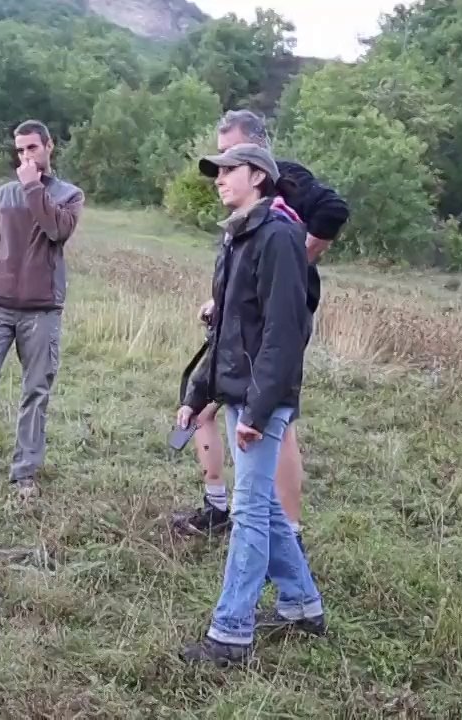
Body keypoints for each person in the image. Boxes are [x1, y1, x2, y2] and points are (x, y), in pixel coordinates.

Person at [177, 142, 327, 666]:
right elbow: (226, 329)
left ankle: (230, 634)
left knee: (247, 512)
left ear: (258, 176)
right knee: (261, 505)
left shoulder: (279, 237)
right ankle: (303, 605)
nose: (218, 178)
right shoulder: (237, 236)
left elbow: (285, 334)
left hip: (263, 399)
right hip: (241, 394)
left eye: (228, 170)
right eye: (216, 172)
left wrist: (258, 413)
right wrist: (197, 394)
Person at [172, 109, 350, 551]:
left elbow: (334, 210)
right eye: (221, 156)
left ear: (258, 154)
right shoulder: (240, 207)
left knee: (275, 420)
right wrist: (226, 300)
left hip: (276, 322)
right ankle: (217, 506)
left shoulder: (286, 179)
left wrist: (297, 262)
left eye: (232, 154)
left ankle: (288, 532)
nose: (223, 167)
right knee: (202, 408)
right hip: (241, 320)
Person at [0, 120, 85, 499]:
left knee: (35, 391)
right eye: (20, 150)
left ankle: (24, 475)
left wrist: (32, 186)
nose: (26, 156)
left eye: (32, 148)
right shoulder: (2, 195)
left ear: (49, 146)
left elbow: (57, 231)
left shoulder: (69, 195)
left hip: (41, 310)